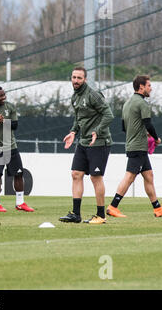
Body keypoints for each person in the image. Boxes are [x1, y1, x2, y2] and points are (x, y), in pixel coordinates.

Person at [106, 75, 162, 218]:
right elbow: (148, 124)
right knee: (130, 177)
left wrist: (143, 134)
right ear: (141, 87)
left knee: (149, 176)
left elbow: (124, 128)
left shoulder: (127, 103)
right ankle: (113, 206)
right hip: (138, 147)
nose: (151, 88)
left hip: (134, 145)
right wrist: (156, 138)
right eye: (149, 85)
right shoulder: (142, 104)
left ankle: (157, 208)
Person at [59, 67, 114, 224]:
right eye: (74, 77)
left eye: (79, 78)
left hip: (99, 142)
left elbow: (109, 114)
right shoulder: (75, 97)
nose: (76, 81)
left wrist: (97, 130)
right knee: (76, 174)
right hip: (83, 142)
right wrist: (73, 132)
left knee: (96, 178)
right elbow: (78, 118)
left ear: (85, 80)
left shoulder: (93, 95)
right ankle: (76, 214)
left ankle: (101, 215)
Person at [0, 86, 35, 213]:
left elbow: (15, 125)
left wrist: (4, 121)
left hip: (11, 146)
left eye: (4, 95)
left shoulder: (10, 107)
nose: (3, 97)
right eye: (0, 96)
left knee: (19, 174)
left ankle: (20, 203)